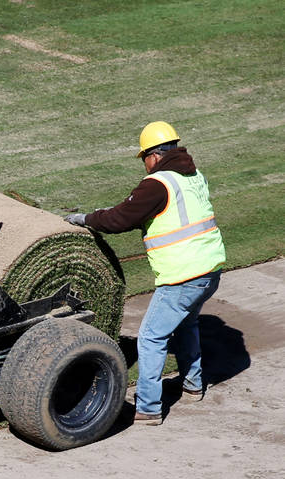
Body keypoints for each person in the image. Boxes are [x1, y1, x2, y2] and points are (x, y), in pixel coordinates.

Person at [65, 121, 226, 426]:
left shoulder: (158, 183)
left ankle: (149, 408)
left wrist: (84, 218)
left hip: (183, 276)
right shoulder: (193, 176)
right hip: (211, 269)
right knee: (187, 323)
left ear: (153, 155)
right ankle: (193, 386)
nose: (145, 167)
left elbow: (119, 218)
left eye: (144, 160)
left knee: (152, 337)